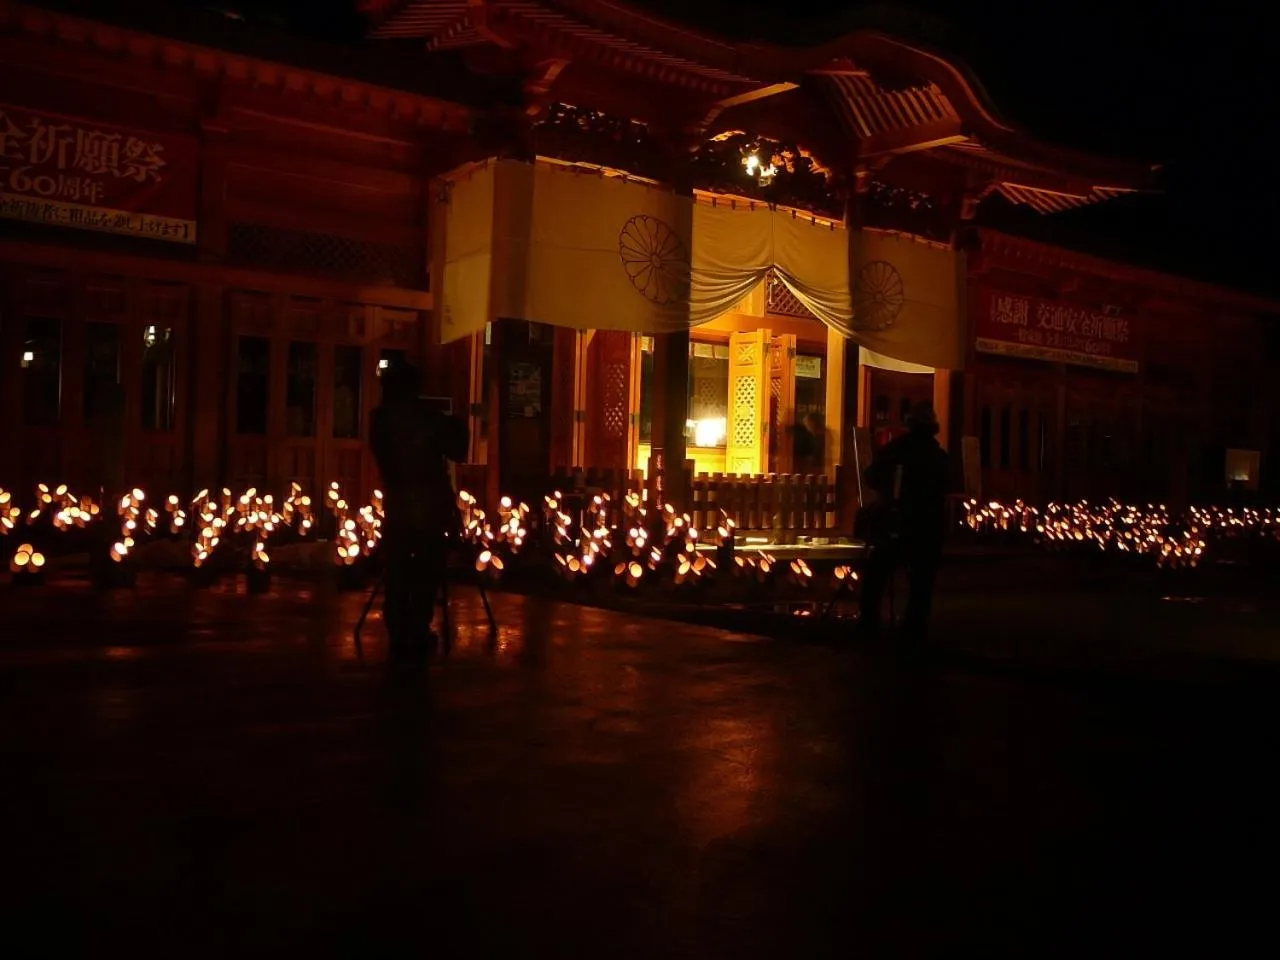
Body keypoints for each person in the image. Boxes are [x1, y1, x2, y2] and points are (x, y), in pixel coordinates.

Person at [369, 360, 469, 661]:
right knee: (426, 569)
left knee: (398, 570)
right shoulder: (429, 421)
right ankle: (417, 628)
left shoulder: (381, 420)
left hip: (399, 506)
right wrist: (458, 423)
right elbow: (458, 451)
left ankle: (400, 631)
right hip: (427, 508)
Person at [857, 401, 955, 644]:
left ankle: (869, 622)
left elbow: (872, 476)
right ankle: (914, 629)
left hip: (897, 519)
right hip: (927, 525)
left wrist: (890, 491)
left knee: (877, 573)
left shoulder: (896, 449)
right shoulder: (938, 456)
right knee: (922, 582)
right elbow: (950, 483)